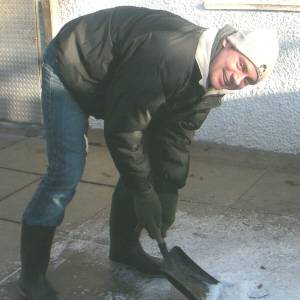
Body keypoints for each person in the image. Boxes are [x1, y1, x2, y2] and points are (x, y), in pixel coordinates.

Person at [19, 6, 278, 300]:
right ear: (227, 43)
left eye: (248, 80)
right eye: (241, 66)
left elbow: (176, 136)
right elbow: (123, 130)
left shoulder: (210, 85)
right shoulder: (170, 54)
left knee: (150, 162)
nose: (238, 80)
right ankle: (31, 276)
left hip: (116, 81)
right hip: (74, 62)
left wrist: (168, 191)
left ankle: (124, 249)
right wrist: (143, 193)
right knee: (66, 170)